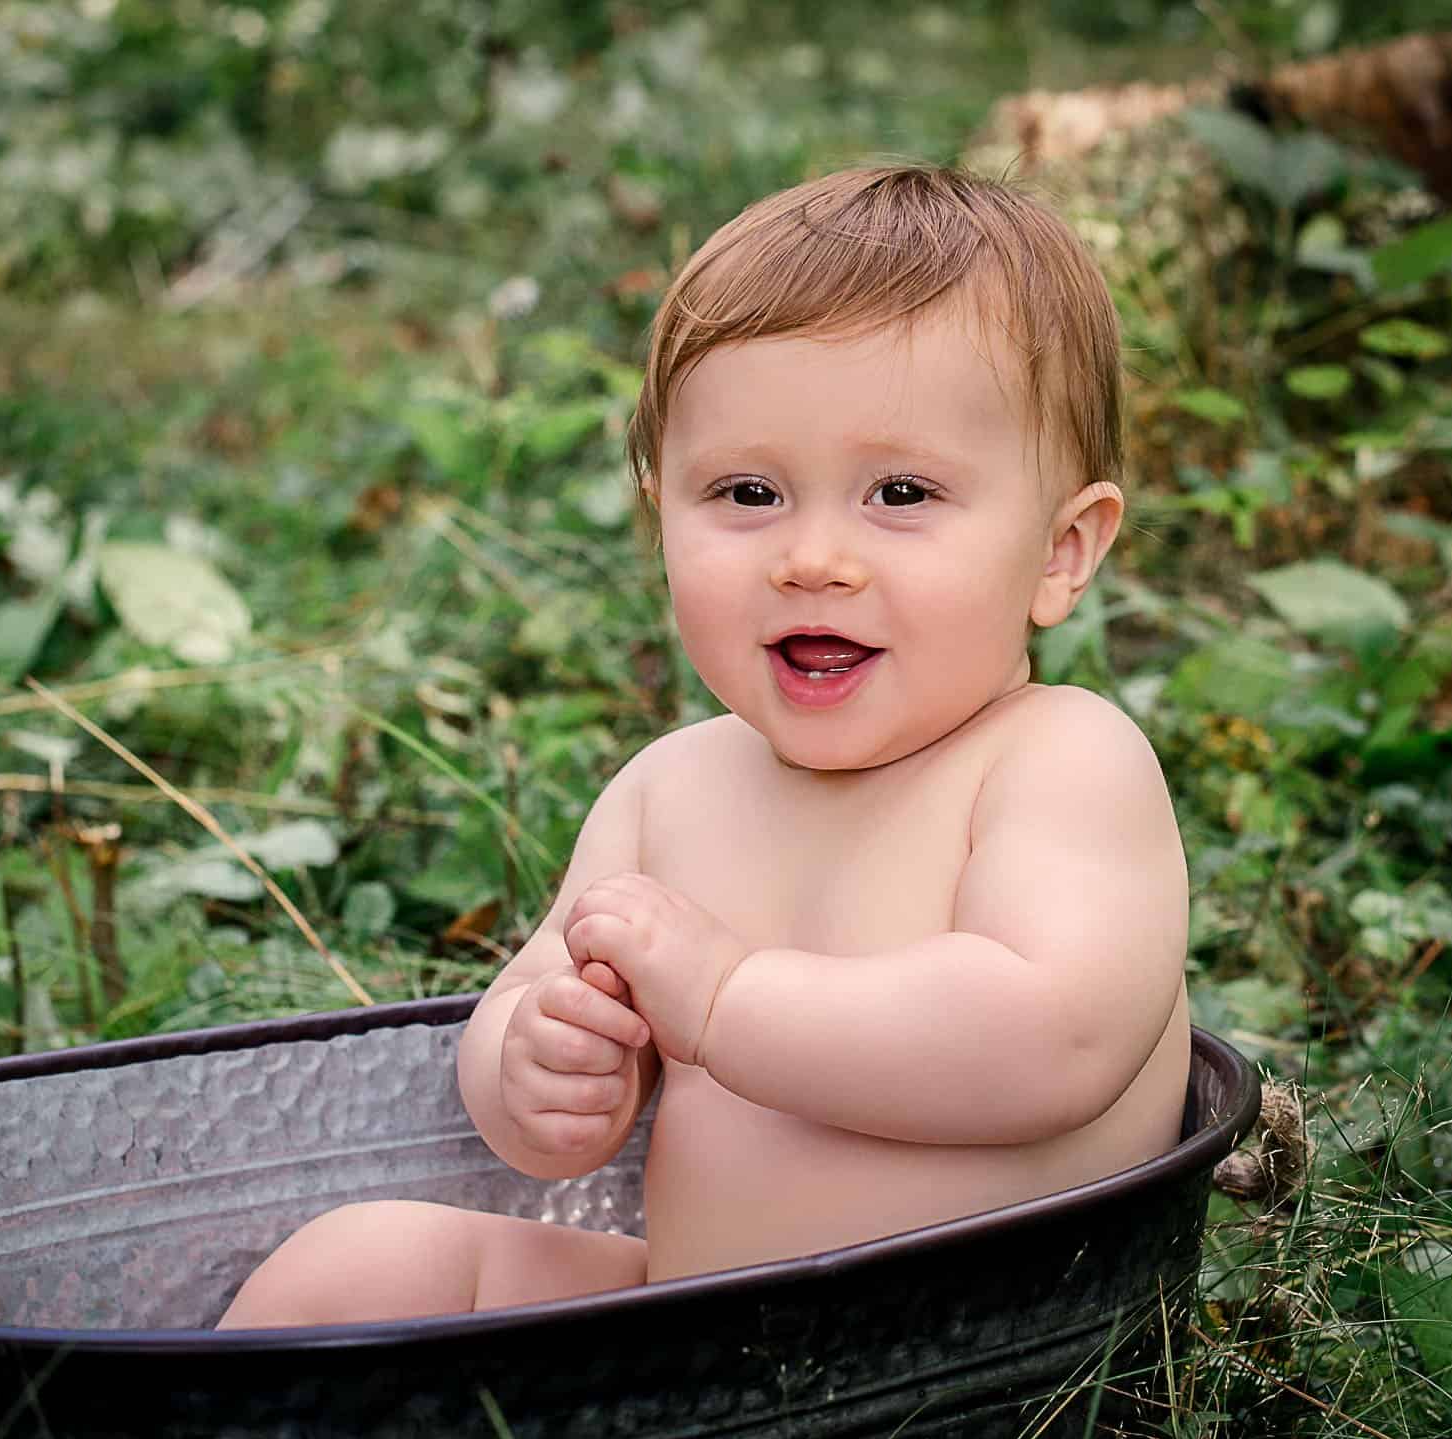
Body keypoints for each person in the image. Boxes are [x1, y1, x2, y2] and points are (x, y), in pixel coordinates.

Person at [217, 163, 1192, 1328]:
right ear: (658, 510)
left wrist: (729, 1001)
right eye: (745, 492)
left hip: (961, 1355)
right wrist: (537, 1068)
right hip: (688, 1351)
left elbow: (1054, 1041)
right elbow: (537, 997)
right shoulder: (666, 791)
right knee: (361, 1264)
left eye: (898, 491)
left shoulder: (1058, 763)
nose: (811, 558)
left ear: (1059, 551)